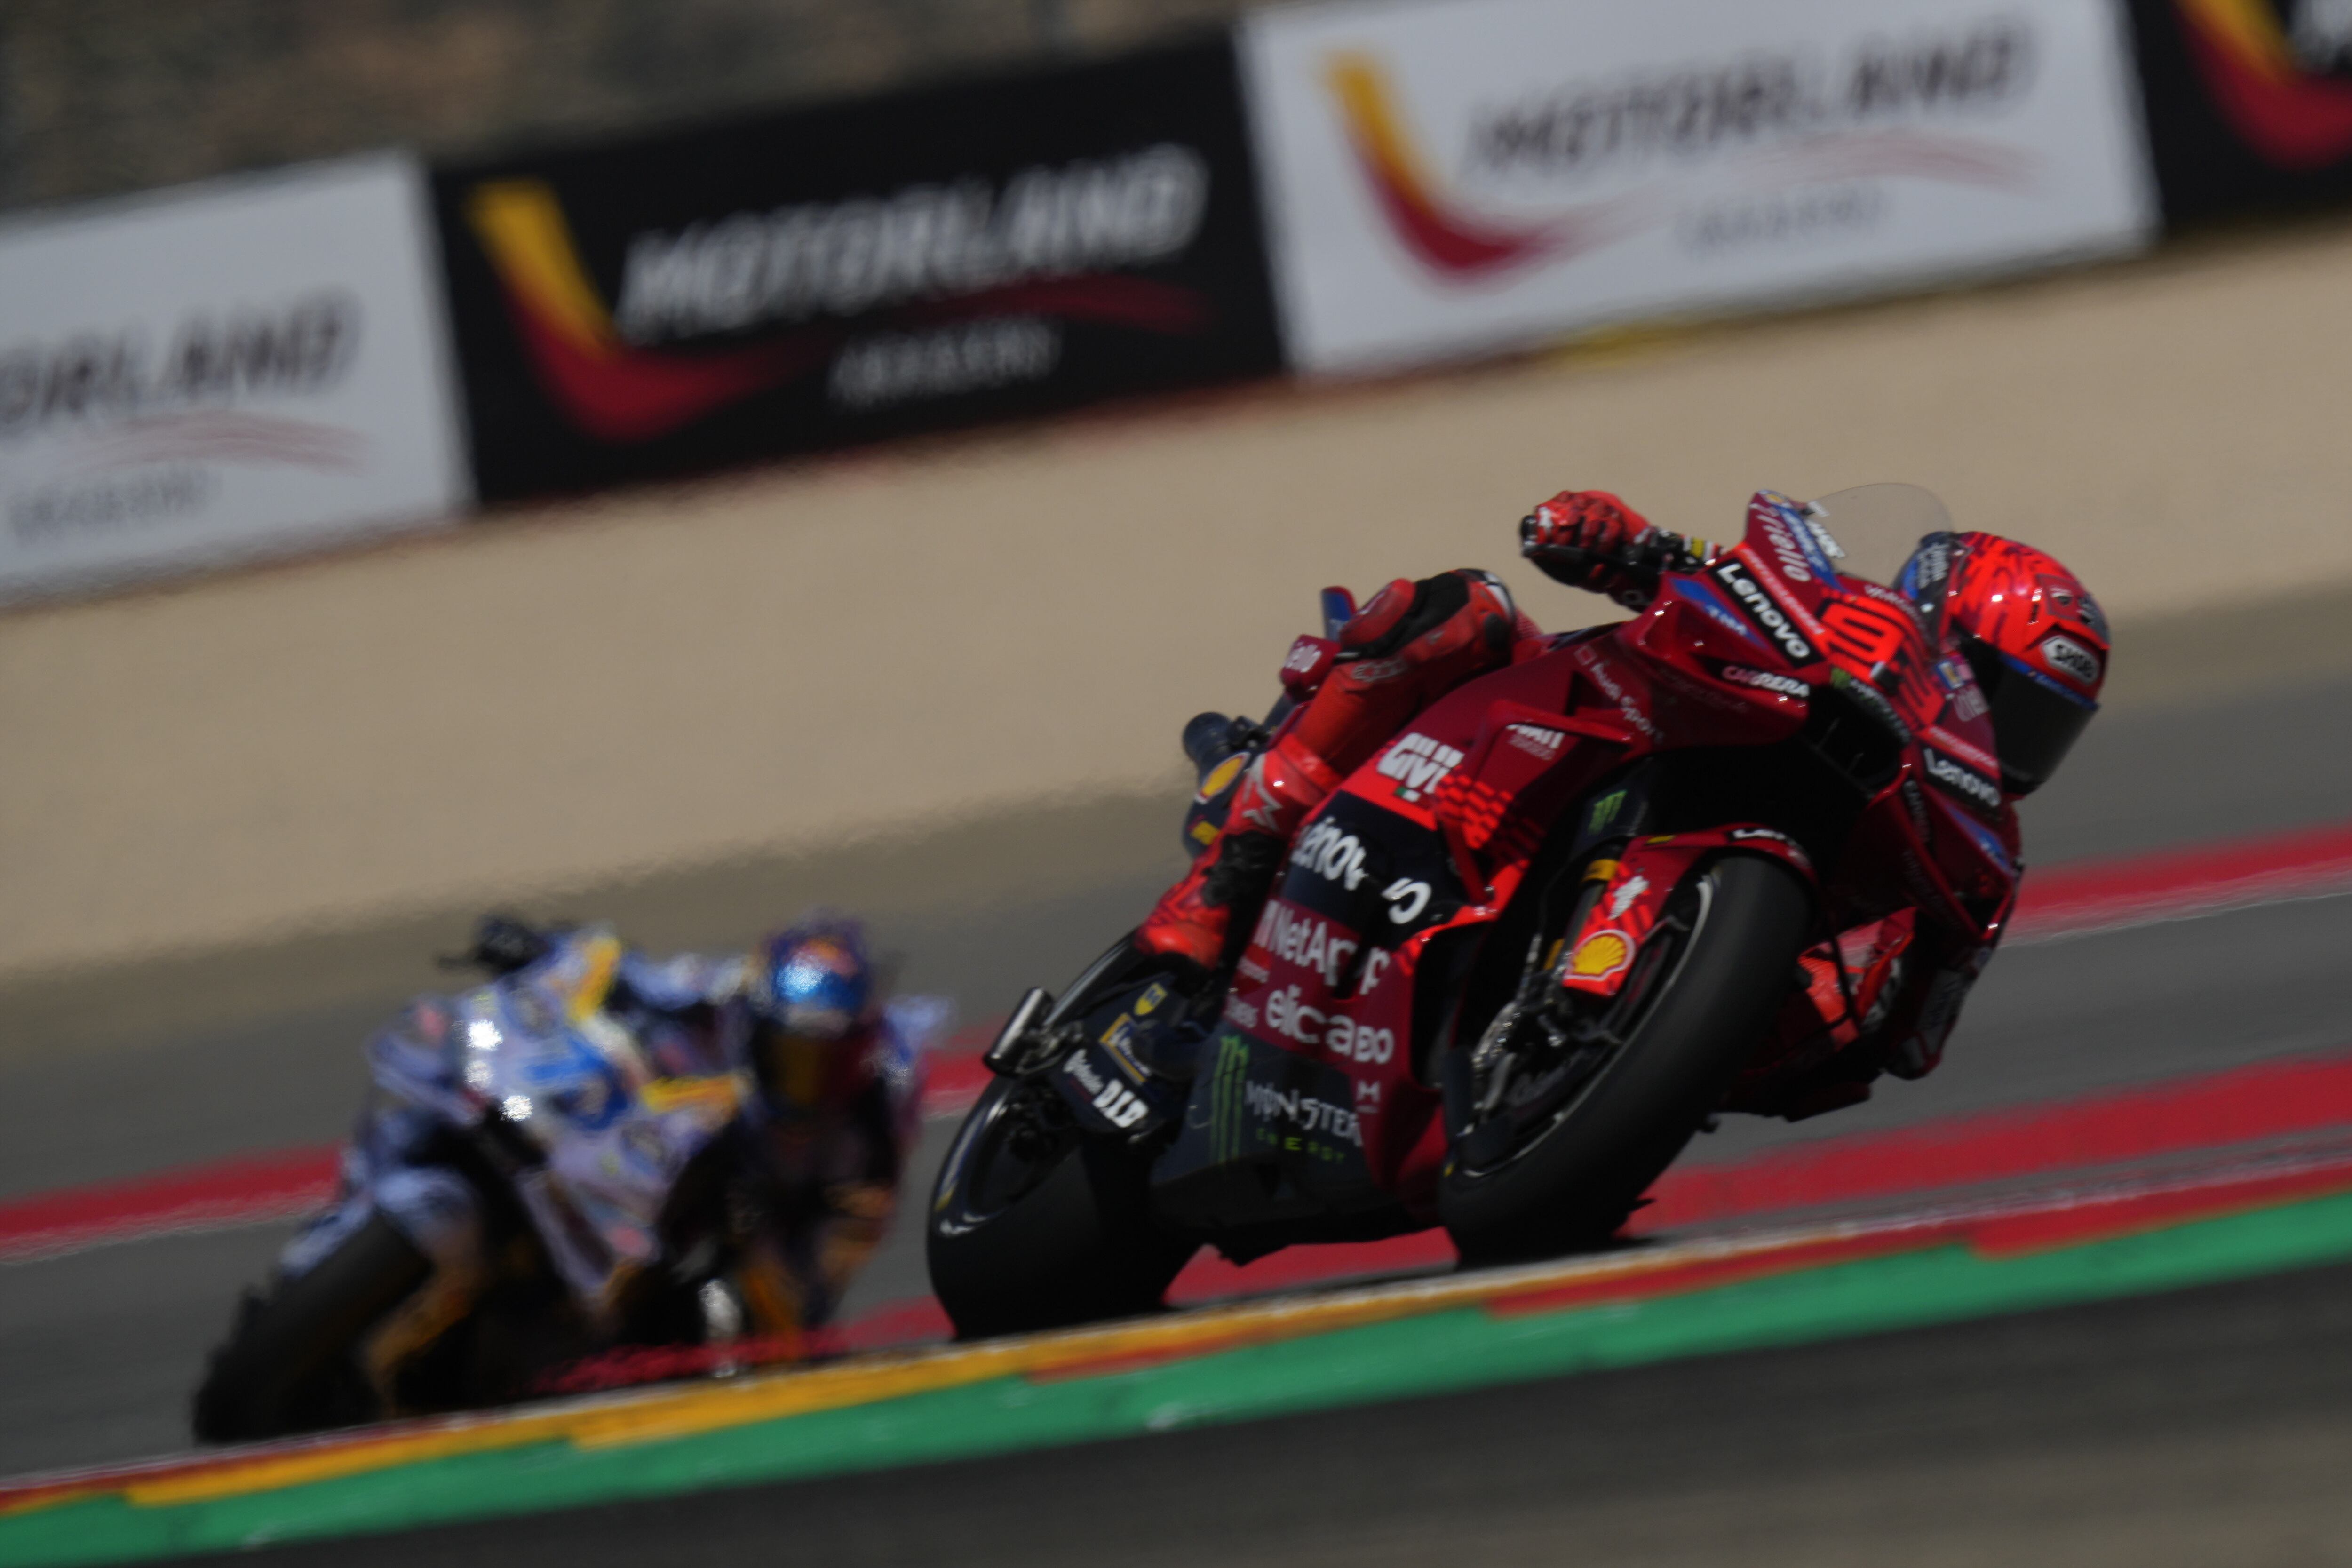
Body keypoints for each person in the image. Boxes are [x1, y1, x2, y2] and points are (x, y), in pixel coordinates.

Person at [1134, 487, 2108, 1105]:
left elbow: (1908, 1043)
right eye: (2002, 696)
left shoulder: (1977, 854)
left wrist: (1737, 1015)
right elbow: (1714, 575)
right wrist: (1623, 540)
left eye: (2040, 726)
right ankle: (1220, 885)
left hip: (1640, 1001)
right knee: (1461, 609)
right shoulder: (1840, 620)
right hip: (1557, 724)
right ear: (1940, 629)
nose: (2004, 740)